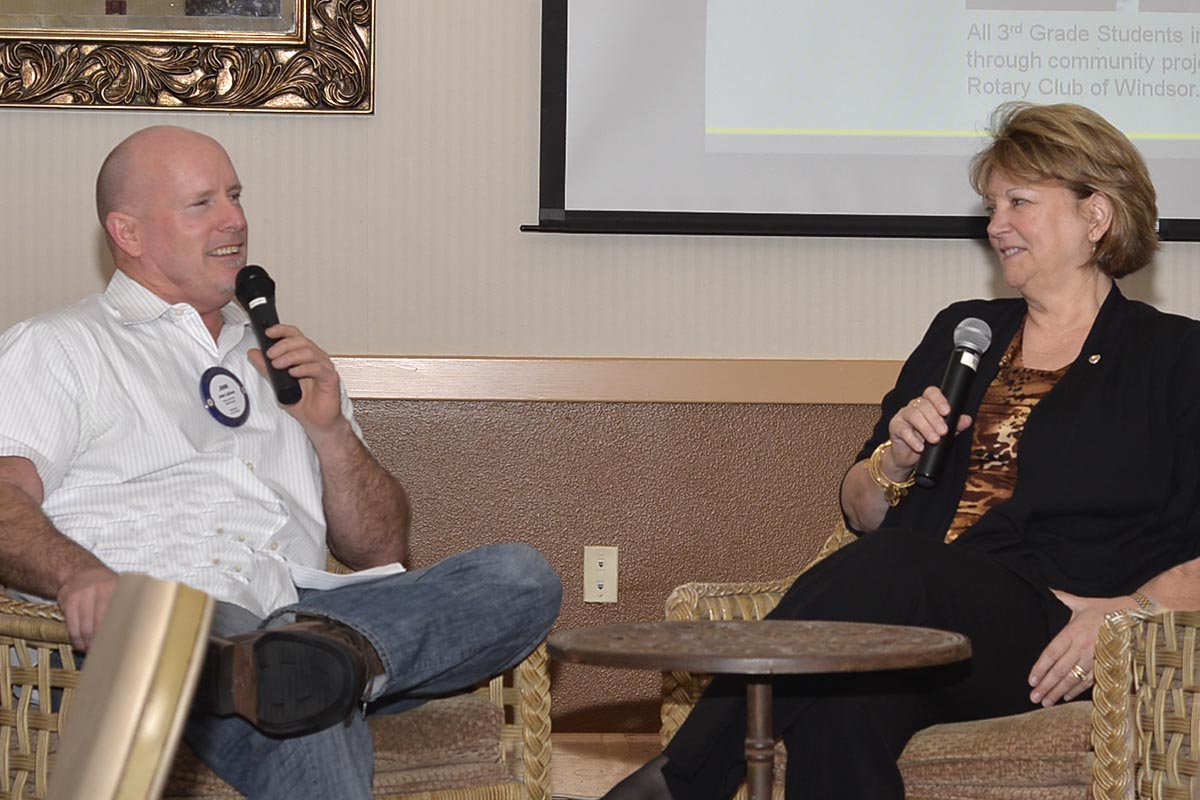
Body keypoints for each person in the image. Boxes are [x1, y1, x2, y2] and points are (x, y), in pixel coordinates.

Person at [604, 102, 1200, 799]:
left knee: (895, 564)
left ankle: (680, 781)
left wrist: (1125, 613)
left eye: (1019, 202)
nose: (995, 225)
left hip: (1051, 630)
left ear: (1095, 216)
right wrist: (893, 464)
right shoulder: (964, 332)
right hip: (916, 621)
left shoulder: (1175, 358)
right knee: (840, 706)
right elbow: (861, 510)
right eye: (991, 206)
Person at [0, 125, 562, 799]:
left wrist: (330, 432)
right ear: (129, 232)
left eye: (234, 196)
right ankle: (296, 666)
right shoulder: (59, 347)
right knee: (298, 695)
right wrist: (79, 574)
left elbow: (380, 550)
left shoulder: (282, 361)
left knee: (520, 577)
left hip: (298, 614)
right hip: (162, 624)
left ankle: (325, 659)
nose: (234, 220)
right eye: (201, 203)